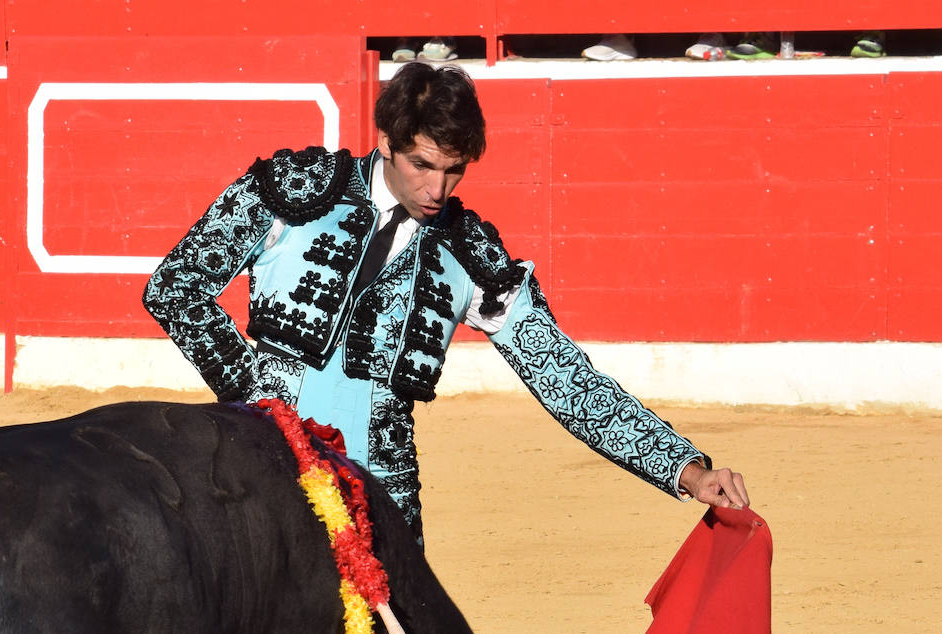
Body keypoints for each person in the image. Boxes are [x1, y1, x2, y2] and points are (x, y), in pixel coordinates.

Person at [144, 62, 747, 543]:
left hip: (382, 498)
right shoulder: (291, 191)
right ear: (386, 142)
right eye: (422, 165)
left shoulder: (469, 255)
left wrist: (686, 469)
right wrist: (254, 395)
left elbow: (561, 375)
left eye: (454, 171)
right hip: (264, 468)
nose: (436, 189)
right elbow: (175, 286)